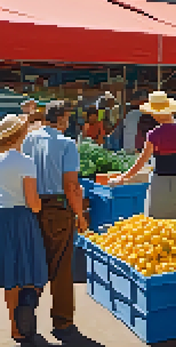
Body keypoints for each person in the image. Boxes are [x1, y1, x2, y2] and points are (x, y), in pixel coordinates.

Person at [22, 100, 90, 345]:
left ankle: (25, 320)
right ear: (61, 118)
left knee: (33, 265)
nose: (69, 122)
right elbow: (71, 186)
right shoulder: (66, 143)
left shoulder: (29, 139)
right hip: (58, 209)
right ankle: (62, 323)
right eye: (68, 118)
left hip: (31, 208)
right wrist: (80, 216)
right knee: (61, 268)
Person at [110, 92, 176, 222]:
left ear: (157, 113)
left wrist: (123, 178)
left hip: (160, 184)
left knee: (156, 227)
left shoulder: (154, 135)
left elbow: (141, 162)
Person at [0, 114, 50, 346]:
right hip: (21, 219)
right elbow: (33, 202)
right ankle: (25, 321)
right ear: (20, 134)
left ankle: (14, 327)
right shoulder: (25, 161)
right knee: (28, 272)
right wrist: (39, 207)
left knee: (9, 275)